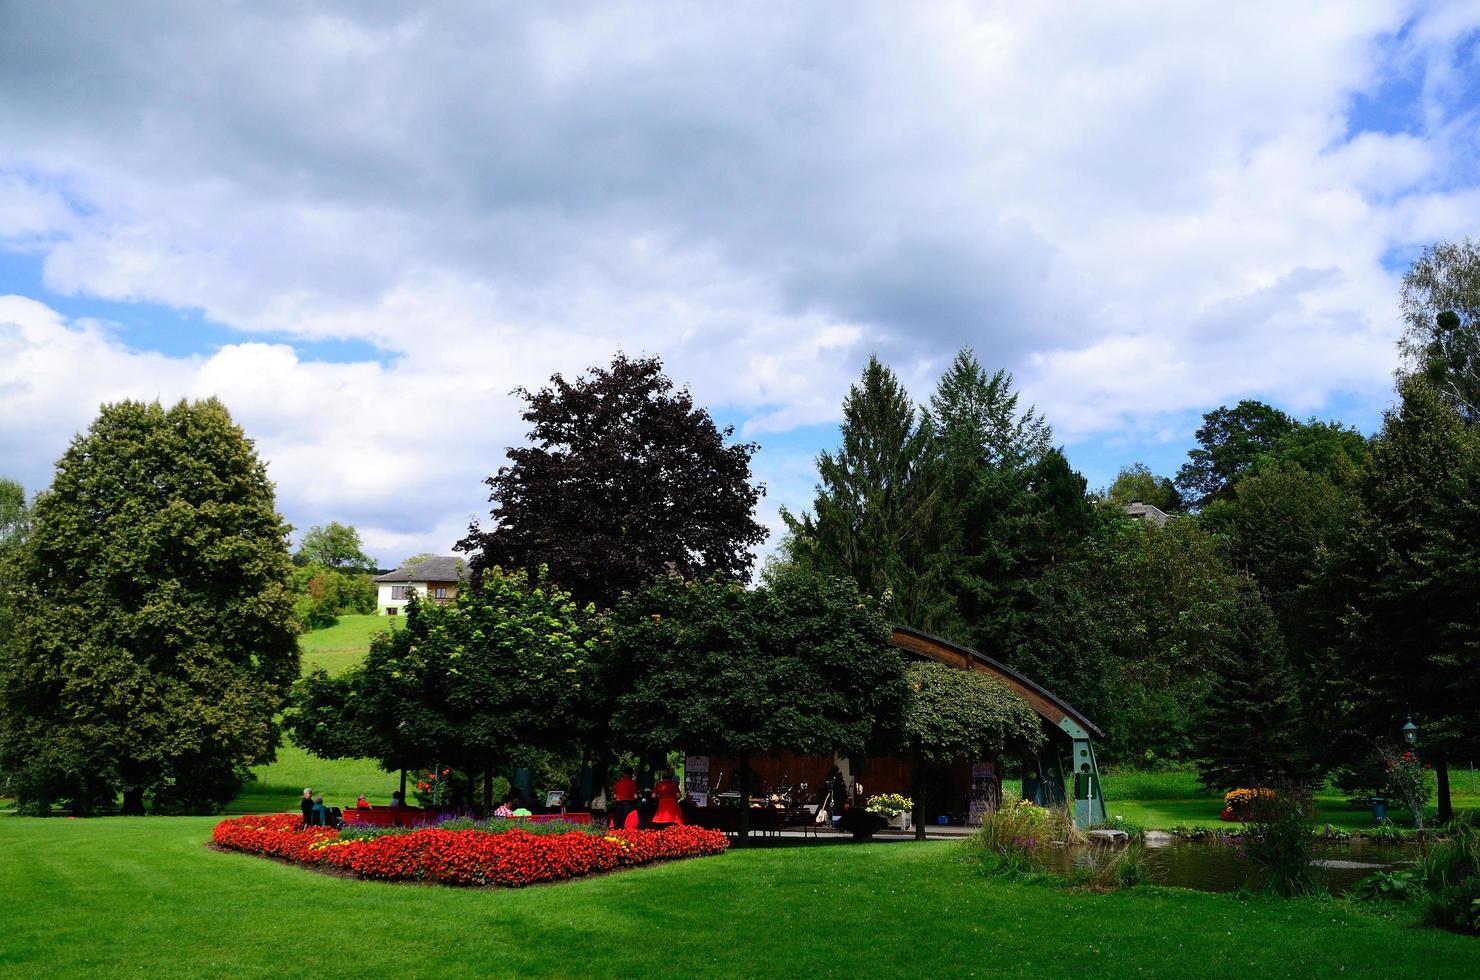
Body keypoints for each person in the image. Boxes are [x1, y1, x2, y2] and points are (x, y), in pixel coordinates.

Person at [825, 765, 849, 830]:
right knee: (833, 809)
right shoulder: (832, 777)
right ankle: (831, 821)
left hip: (838, 796)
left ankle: (836, 822)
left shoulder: (837, 777)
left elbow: (842, 786)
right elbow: (830, 786)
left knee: (837, 809)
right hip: (835, 796)